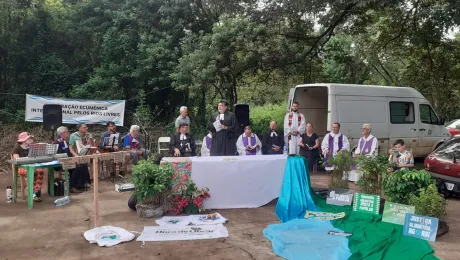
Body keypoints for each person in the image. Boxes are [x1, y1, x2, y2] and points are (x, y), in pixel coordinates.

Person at [11, 132, 44, 202]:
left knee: (40, 171)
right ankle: (32, 192)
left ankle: (36, 191)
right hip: (22, 167)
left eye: (31, 138)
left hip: (32, 166)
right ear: (23, 140)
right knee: (29, 172)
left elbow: (36, 157)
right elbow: (17, 160)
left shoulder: (32, 147)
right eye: (29, 138)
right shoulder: (17, 148)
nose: (31, 139)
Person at [56, 126, 89, 193]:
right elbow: (59, 155)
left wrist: (73, 158)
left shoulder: (64, 141)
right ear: (62, 133)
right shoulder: (58, 142)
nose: (69, 133)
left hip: (68, 161)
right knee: (78, 167)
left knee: (83, 164)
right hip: (61, 163)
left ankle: (81, 184)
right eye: (67, 132)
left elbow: (68, 153)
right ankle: (72, 186)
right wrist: (71, 159)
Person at [68, 124, 93, 190]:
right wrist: (76, 155)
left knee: (83, 165)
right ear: (79, 129)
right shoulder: (73, 136)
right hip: (76, 155)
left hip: (86, 155)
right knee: (80, 166)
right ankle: (74, 185)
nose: (86, 128)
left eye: (86, 127)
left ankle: (82, 184)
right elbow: (70, 148)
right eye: (84, 127)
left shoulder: (88, 135)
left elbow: (92, 146)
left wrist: (91, 139)